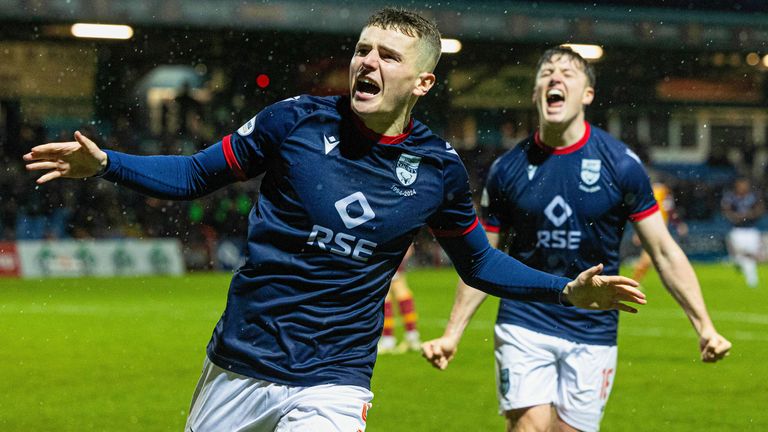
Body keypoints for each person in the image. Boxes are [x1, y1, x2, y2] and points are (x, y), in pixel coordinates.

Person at [24, 12, 645, 431]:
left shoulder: (439, 171)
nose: (367, 63)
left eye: (388, 55)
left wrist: (563, 289)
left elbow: (478, 261)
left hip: (335, 381)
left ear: (422, 80)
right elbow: (193, 175)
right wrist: (106, 163)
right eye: (362, 49)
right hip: (242, 359)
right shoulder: (292, 122)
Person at [422, 47, 731, 432]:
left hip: (593, 326)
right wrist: (453, 333)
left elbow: (665, 251)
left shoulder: (620, 164)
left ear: (587, 94)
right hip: (525, 318)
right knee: (529, 427)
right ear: (535, 93)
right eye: (546, 72)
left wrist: (704, 326)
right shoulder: (506, 169)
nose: (555, 77)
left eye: (568, 73)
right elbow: (482, 258)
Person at [631, 180, 688, 283]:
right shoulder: (660, 195)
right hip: (655, 230)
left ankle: (635, 281)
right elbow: (668, 212)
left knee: (653, 257)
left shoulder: (655, 195)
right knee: (652, 257)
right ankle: (634, 282)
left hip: (656, 230)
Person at [721, 177, 765, 288]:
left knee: (750, 255)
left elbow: (760, 209)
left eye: (744, 185)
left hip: (751, 230)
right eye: (740, 185)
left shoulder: (753, 196)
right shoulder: (731, 197)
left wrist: (748, 215)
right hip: (737, 230)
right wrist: (736, 217)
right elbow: (726, 210)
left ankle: (751, 279)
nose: (742, 187)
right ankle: (742, 267)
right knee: (739, 255)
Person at [379, 244, 421, 354]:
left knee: (390, 294)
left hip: (389, 256)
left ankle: (389, 340)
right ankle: (412, 336)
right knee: (401, 291)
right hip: (397, 251)